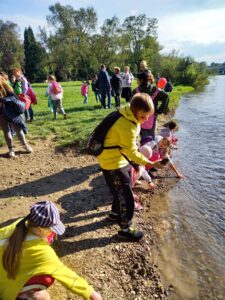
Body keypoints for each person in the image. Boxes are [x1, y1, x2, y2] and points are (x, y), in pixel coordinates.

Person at [0, 200, 102, 300]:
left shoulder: (19, 225)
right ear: (39, 229)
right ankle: (24, 296)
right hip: (5, 290)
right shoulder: (42, 252)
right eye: (51, 230)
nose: (53, 234)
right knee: (46, 280)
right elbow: (65, 274)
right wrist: (90, 293)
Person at [97, 93, 161, 241]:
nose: (145, 120)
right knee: (126, 195)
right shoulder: (126, 125)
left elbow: (127, 147)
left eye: (147, 117)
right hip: (112, 162)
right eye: (143, 116)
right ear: (135, 109)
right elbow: (131, 151)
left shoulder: (126, 112)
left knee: (120, 188)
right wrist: (149, 163)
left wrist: (135, 163)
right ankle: (125, 229)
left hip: (117, 157)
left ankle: (114, 214)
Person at [0, 76, 33, 158]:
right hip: (1, 113)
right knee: (6, 131)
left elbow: (14, 98)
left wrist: (3, 101)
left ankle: (25, 145)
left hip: (11, 112)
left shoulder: (6, 87)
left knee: (18, 130)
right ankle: (11, 149)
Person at [131, 144, 156, 210]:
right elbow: (126, 182)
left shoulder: (141, 165)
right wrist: (131, 193)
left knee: (139, 173)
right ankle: (131, 203)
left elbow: (144, 173)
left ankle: (133, 183)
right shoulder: (132, 166)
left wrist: (149, 181)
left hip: (131, 180)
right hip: (123, 185)